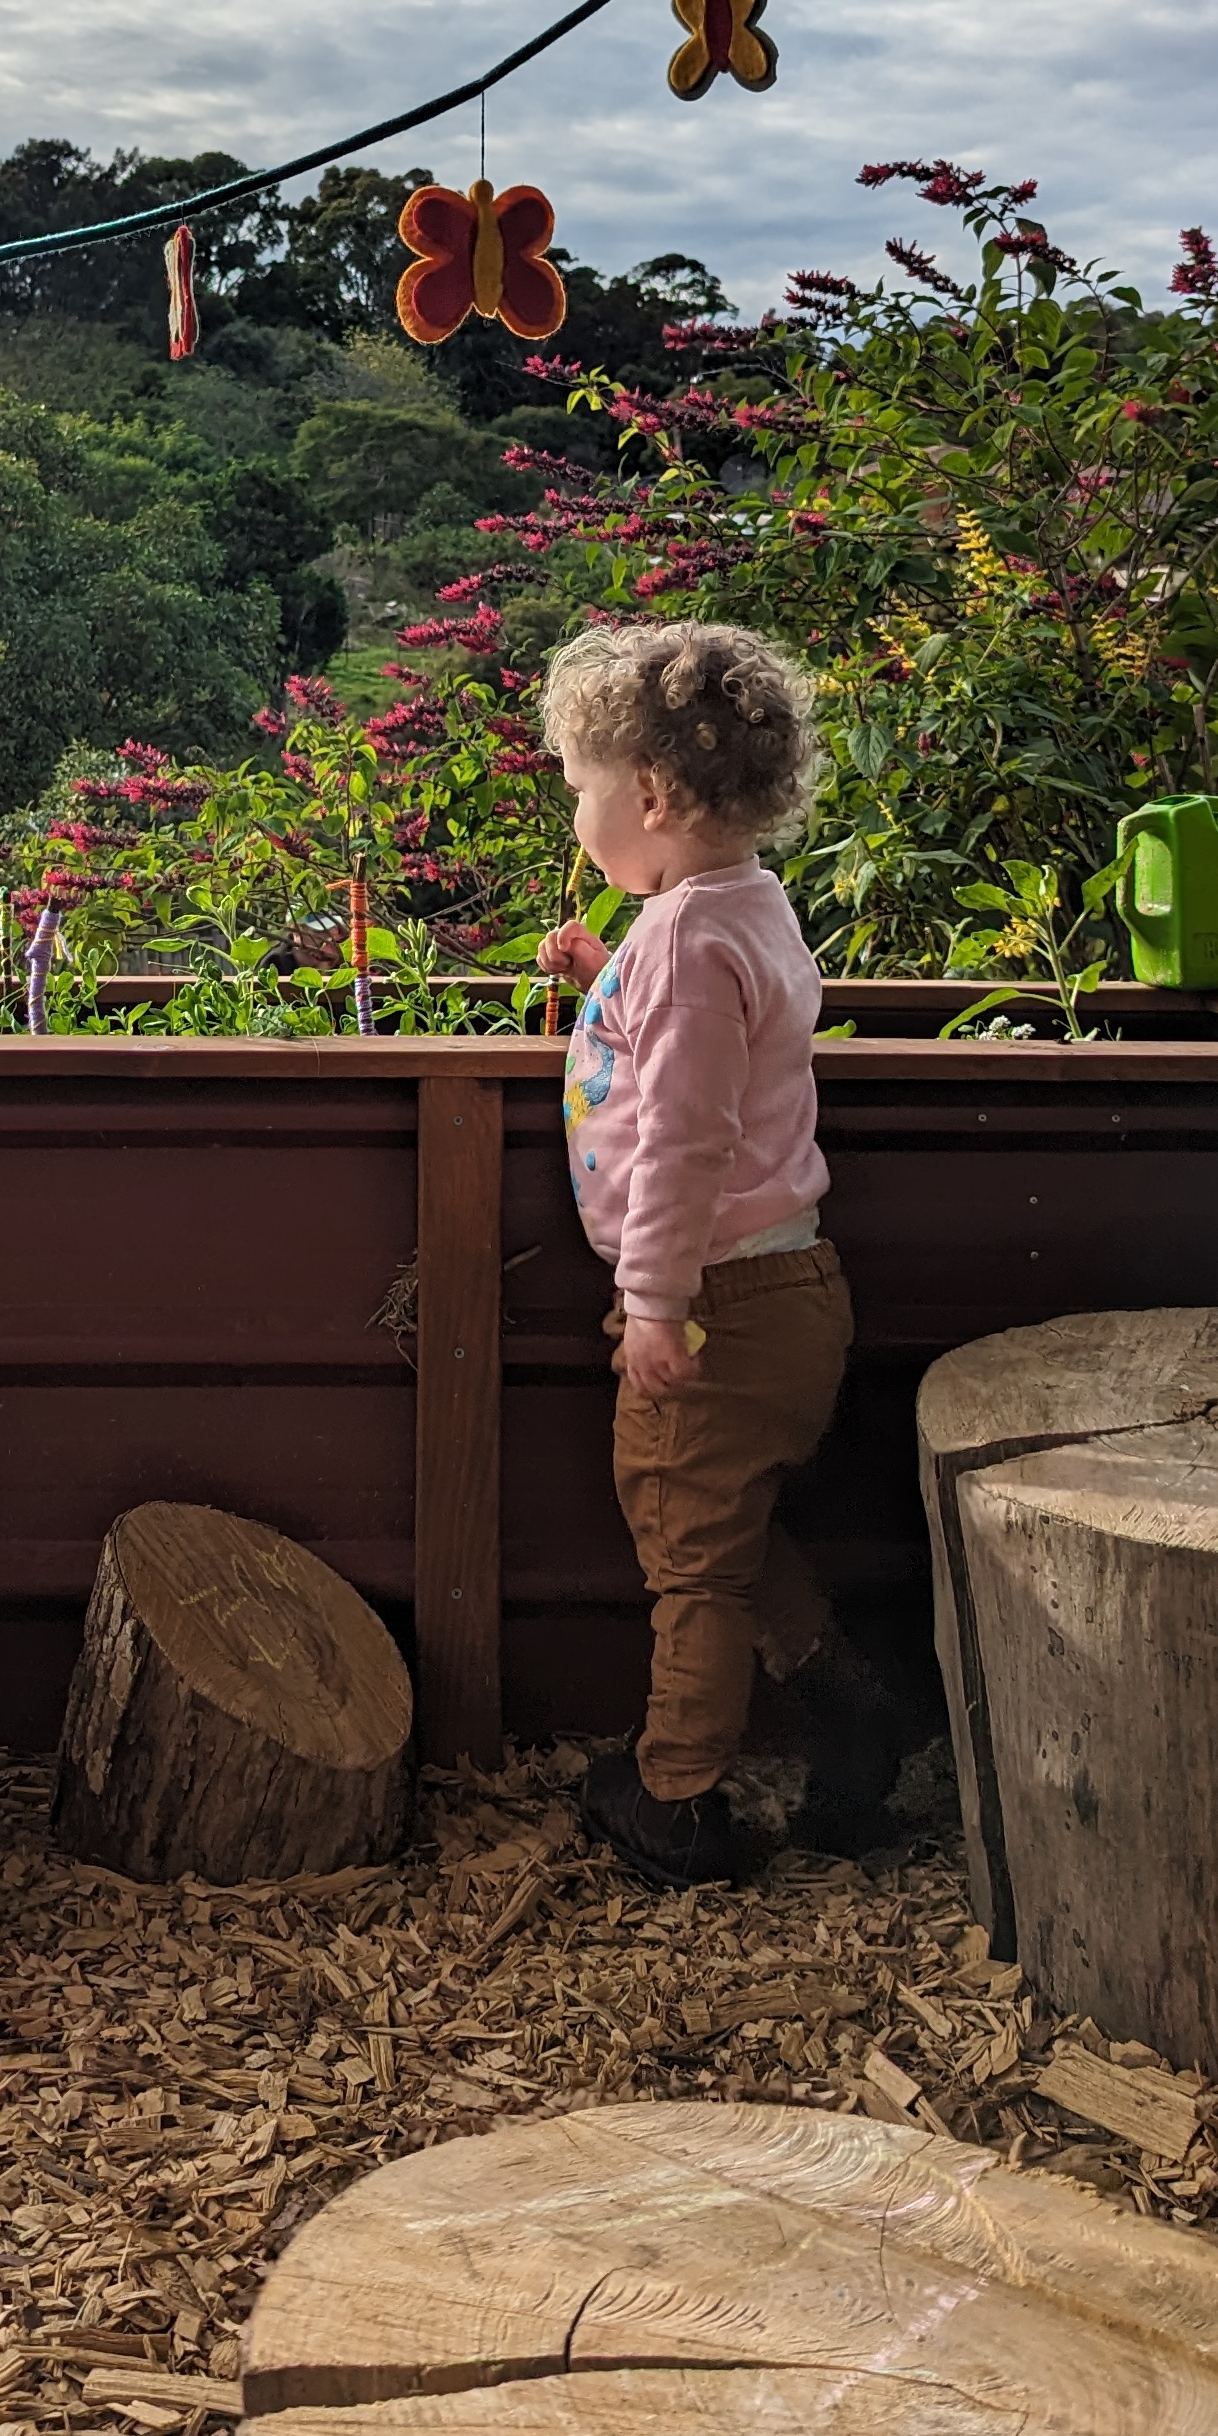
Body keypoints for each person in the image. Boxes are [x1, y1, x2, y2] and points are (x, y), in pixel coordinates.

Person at [536, 619, 907, 1889]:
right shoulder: (731, 908)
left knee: (686, 1555)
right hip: (779, 1289)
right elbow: (695, 1050)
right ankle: (847, 1694)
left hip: (716, 1299)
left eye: (582, 788)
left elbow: (689, 1137)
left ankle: (678, 1799)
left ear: (648, 792)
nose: (577, 811)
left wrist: (653, 1304)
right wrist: (603, 976)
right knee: (726, 1523)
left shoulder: (688, 942)